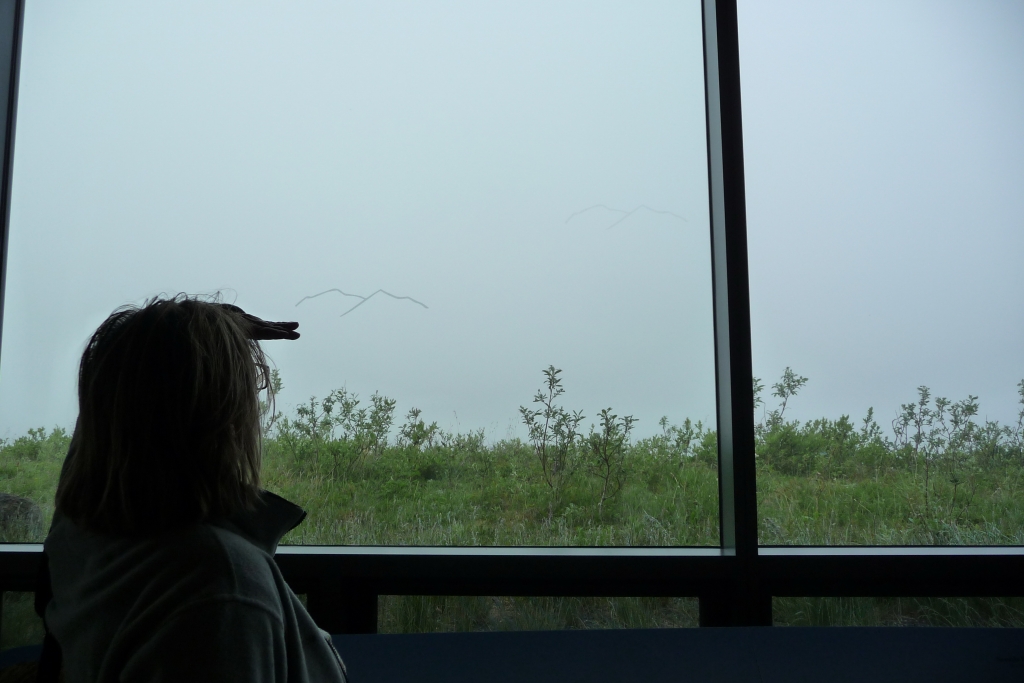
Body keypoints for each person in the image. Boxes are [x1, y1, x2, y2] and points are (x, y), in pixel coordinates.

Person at [41, 295, 348, 682]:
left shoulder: (82, 533)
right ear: (224, 417)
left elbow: (116, 414)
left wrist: (178, 339)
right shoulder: (221, 585)